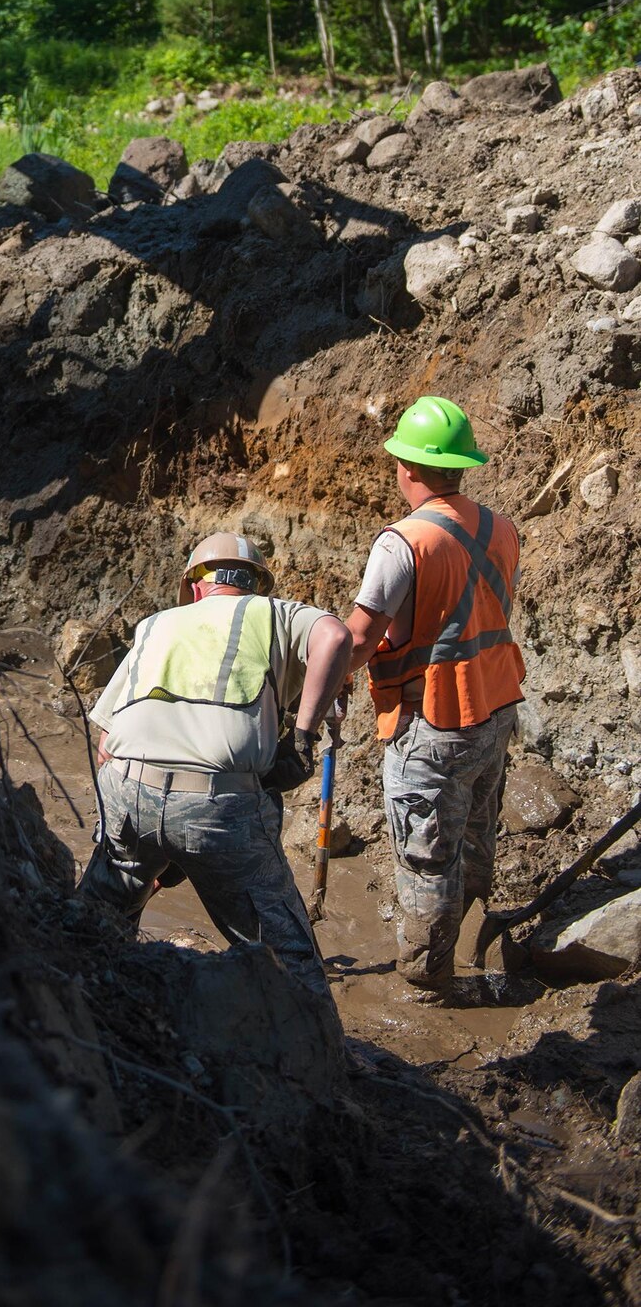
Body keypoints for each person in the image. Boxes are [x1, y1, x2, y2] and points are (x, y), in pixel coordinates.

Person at [80, 533, 353, 999]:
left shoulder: (155, 624)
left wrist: (159, 829)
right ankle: (323, 1060)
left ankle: (94, 1015)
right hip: (219, 805)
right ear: (257, 585)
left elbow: (106, 742)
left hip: (125, 789)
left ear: (194, 585)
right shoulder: (273, 614)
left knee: (95, 928)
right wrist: (303, 735)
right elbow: (336, 636)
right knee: (286, 962)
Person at [345, 396, 524, 998]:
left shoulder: (402, 543)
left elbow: (363, 637)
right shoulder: (502, 528)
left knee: (427, 858)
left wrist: (324, 681)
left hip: (436, 720)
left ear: (408, 467)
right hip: (496, 709)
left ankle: (428, 982)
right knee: (475, 834)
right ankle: (472, 942)